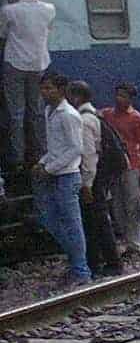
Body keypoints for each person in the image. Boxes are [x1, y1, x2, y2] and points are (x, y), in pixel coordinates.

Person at [32, 73, 90, 285]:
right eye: (43, 88)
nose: (44, 93)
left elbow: (76, 148)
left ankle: (81, 270)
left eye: (49, 88)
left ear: (61, 90)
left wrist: (49, 168)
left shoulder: (68, 115)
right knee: (49, 219)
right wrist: (43, 162)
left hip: (67, 176)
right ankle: (76, 261)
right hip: (55, 173)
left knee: (72, 224)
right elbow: (56, 147)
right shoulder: (49, 112)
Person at [68, 80, 123, 278]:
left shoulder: (84, 121)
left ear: (77, 97)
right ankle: (99, 261)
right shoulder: (94, 115)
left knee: (96, 220)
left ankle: (110, 262)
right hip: (99, 175)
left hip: (94, 177)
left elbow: (89, 155)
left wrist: (87, 184)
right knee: (96, 219)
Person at [2, 0, 54, 172]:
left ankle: (18, 158)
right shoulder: (49, 9)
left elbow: (2, 34)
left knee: (16, 113)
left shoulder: (9, 10)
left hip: (14, 64)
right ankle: (41, 153)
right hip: (39, 64)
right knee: (37, 112)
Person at [101, 82, 140, 256]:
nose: (119, 99)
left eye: (123, 96)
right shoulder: (107, 114)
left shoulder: (137, 118)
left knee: (131, 204)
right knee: (117, 204)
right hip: (115, 165)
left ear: (131, 99)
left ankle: (135, 242)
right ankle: (126, 238)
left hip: (132, 164)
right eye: (117, 95)